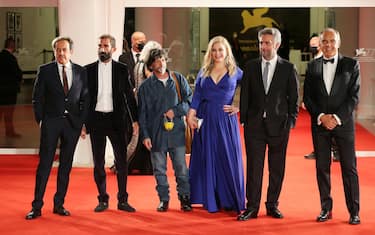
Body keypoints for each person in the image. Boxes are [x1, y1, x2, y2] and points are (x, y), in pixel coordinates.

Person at [238, 27, 299, 221]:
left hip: (279, 126)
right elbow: (245, 94)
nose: (263, 47)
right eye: (261, 43)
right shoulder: (250, 66)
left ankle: (272, 205)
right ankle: (252, 207)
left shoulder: (288, 68)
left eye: (267, 43)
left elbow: (294, 97)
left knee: (276, 168)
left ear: (277, 45)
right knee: (254, 169)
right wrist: (244, 120)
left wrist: (290, 121)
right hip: (254, 126)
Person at [26, 36, 90, 220]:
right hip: (51, 123)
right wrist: (41, 121)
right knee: (44, 165)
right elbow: (37, 98)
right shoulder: (44, 71)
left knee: (65, 166)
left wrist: (81, 123)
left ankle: (59, 204)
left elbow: (85, 98)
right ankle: (36, 207)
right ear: (54, 51)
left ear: (71, 51)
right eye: (58, 50)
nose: (61, 53)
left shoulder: (80, 72)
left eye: (64, 50)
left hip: (72, 126)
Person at [303, 28, 361, 225]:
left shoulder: (351, 64)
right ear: (320, 44)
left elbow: (354, 97)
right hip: (320, 125)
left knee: (349, 168)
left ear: (338, 41)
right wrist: (321, 117)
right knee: (322, 168)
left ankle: (354, 211)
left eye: (331, 41)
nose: (328, 45)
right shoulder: (312, 66)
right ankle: (325, 209)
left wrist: (336, 118)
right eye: (324, 41)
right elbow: (308, 98)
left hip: (343, 124)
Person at [186, 36, 245, 214]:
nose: (217, 53)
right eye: (214, 50)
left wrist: (240, 106)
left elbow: (253, 90)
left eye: (220, 50)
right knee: (207, 157)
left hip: (226, 121)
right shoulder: (204, 71)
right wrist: (191, 114)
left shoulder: (236, 71)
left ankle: (229, 199)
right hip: (206, 118)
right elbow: (197, 96)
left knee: (226, 157)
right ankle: (210, 199)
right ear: (210, 52)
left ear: (227, 51)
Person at [85, 34, 138, 213]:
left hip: (117, 121)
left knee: (121, 162)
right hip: (96, 120)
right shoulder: (88, 70)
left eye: (106, 46)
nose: (102, 49)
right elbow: (83, 100)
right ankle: (103, 199)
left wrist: (135, 120)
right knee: (98, 162)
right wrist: (83, 123)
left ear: (113, 49)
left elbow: (129, 97)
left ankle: (123, 200)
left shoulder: (122, 69)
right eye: (100, 45)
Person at [137, 48, 192, 212]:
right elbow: (143, 114)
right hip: (156, 135)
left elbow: (190, 101)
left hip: (177, 133)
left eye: (162, 59)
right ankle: (163, 199)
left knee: (181, 169)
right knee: (159, 170)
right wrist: (145, 136)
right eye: (155, 61)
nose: (160, 63)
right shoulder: (145, 87)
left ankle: (185, 198)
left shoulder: (178, 79)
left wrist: (175, 111)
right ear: (150, 66)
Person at [304, 34, 340, 162]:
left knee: (332, 126)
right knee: (317, 127)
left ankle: (335, 151)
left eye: (315, 45)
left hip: (331, 103)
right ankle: (319, 150)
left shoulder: (331, 60)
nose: (312, 47)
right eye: (311, 45)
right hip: (317, 103)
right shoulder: (313, 63)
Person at [0, 37, 23, 138]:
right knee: (9, 113)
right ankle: (9, 131)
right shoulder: (11, 58)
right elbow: (17, 73)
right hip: (9, 90)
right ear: (12, 46)